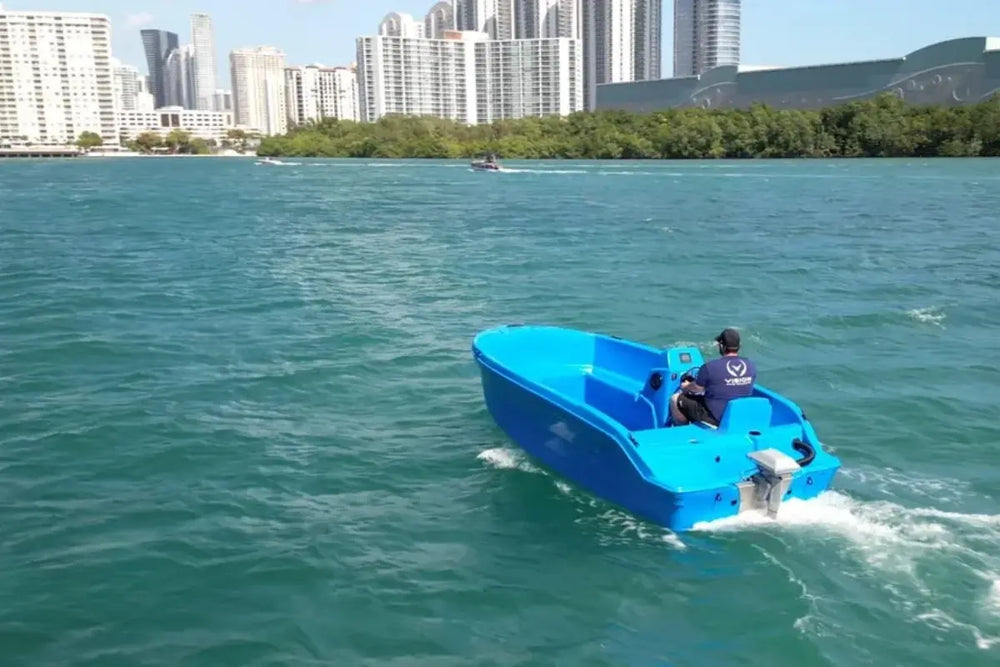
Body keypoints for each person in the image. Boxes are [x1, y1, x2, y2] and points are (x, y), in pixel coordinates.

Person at [669, 328, 757, 426]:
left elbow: (697, 389)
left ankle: (682, 431)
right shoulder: (751, 365)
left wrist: (686, 386)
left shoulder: (709, 367)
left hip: (715, 418)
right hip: (739, 415)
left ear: (721, 346)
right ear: (739, 346)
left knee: (675, 399)